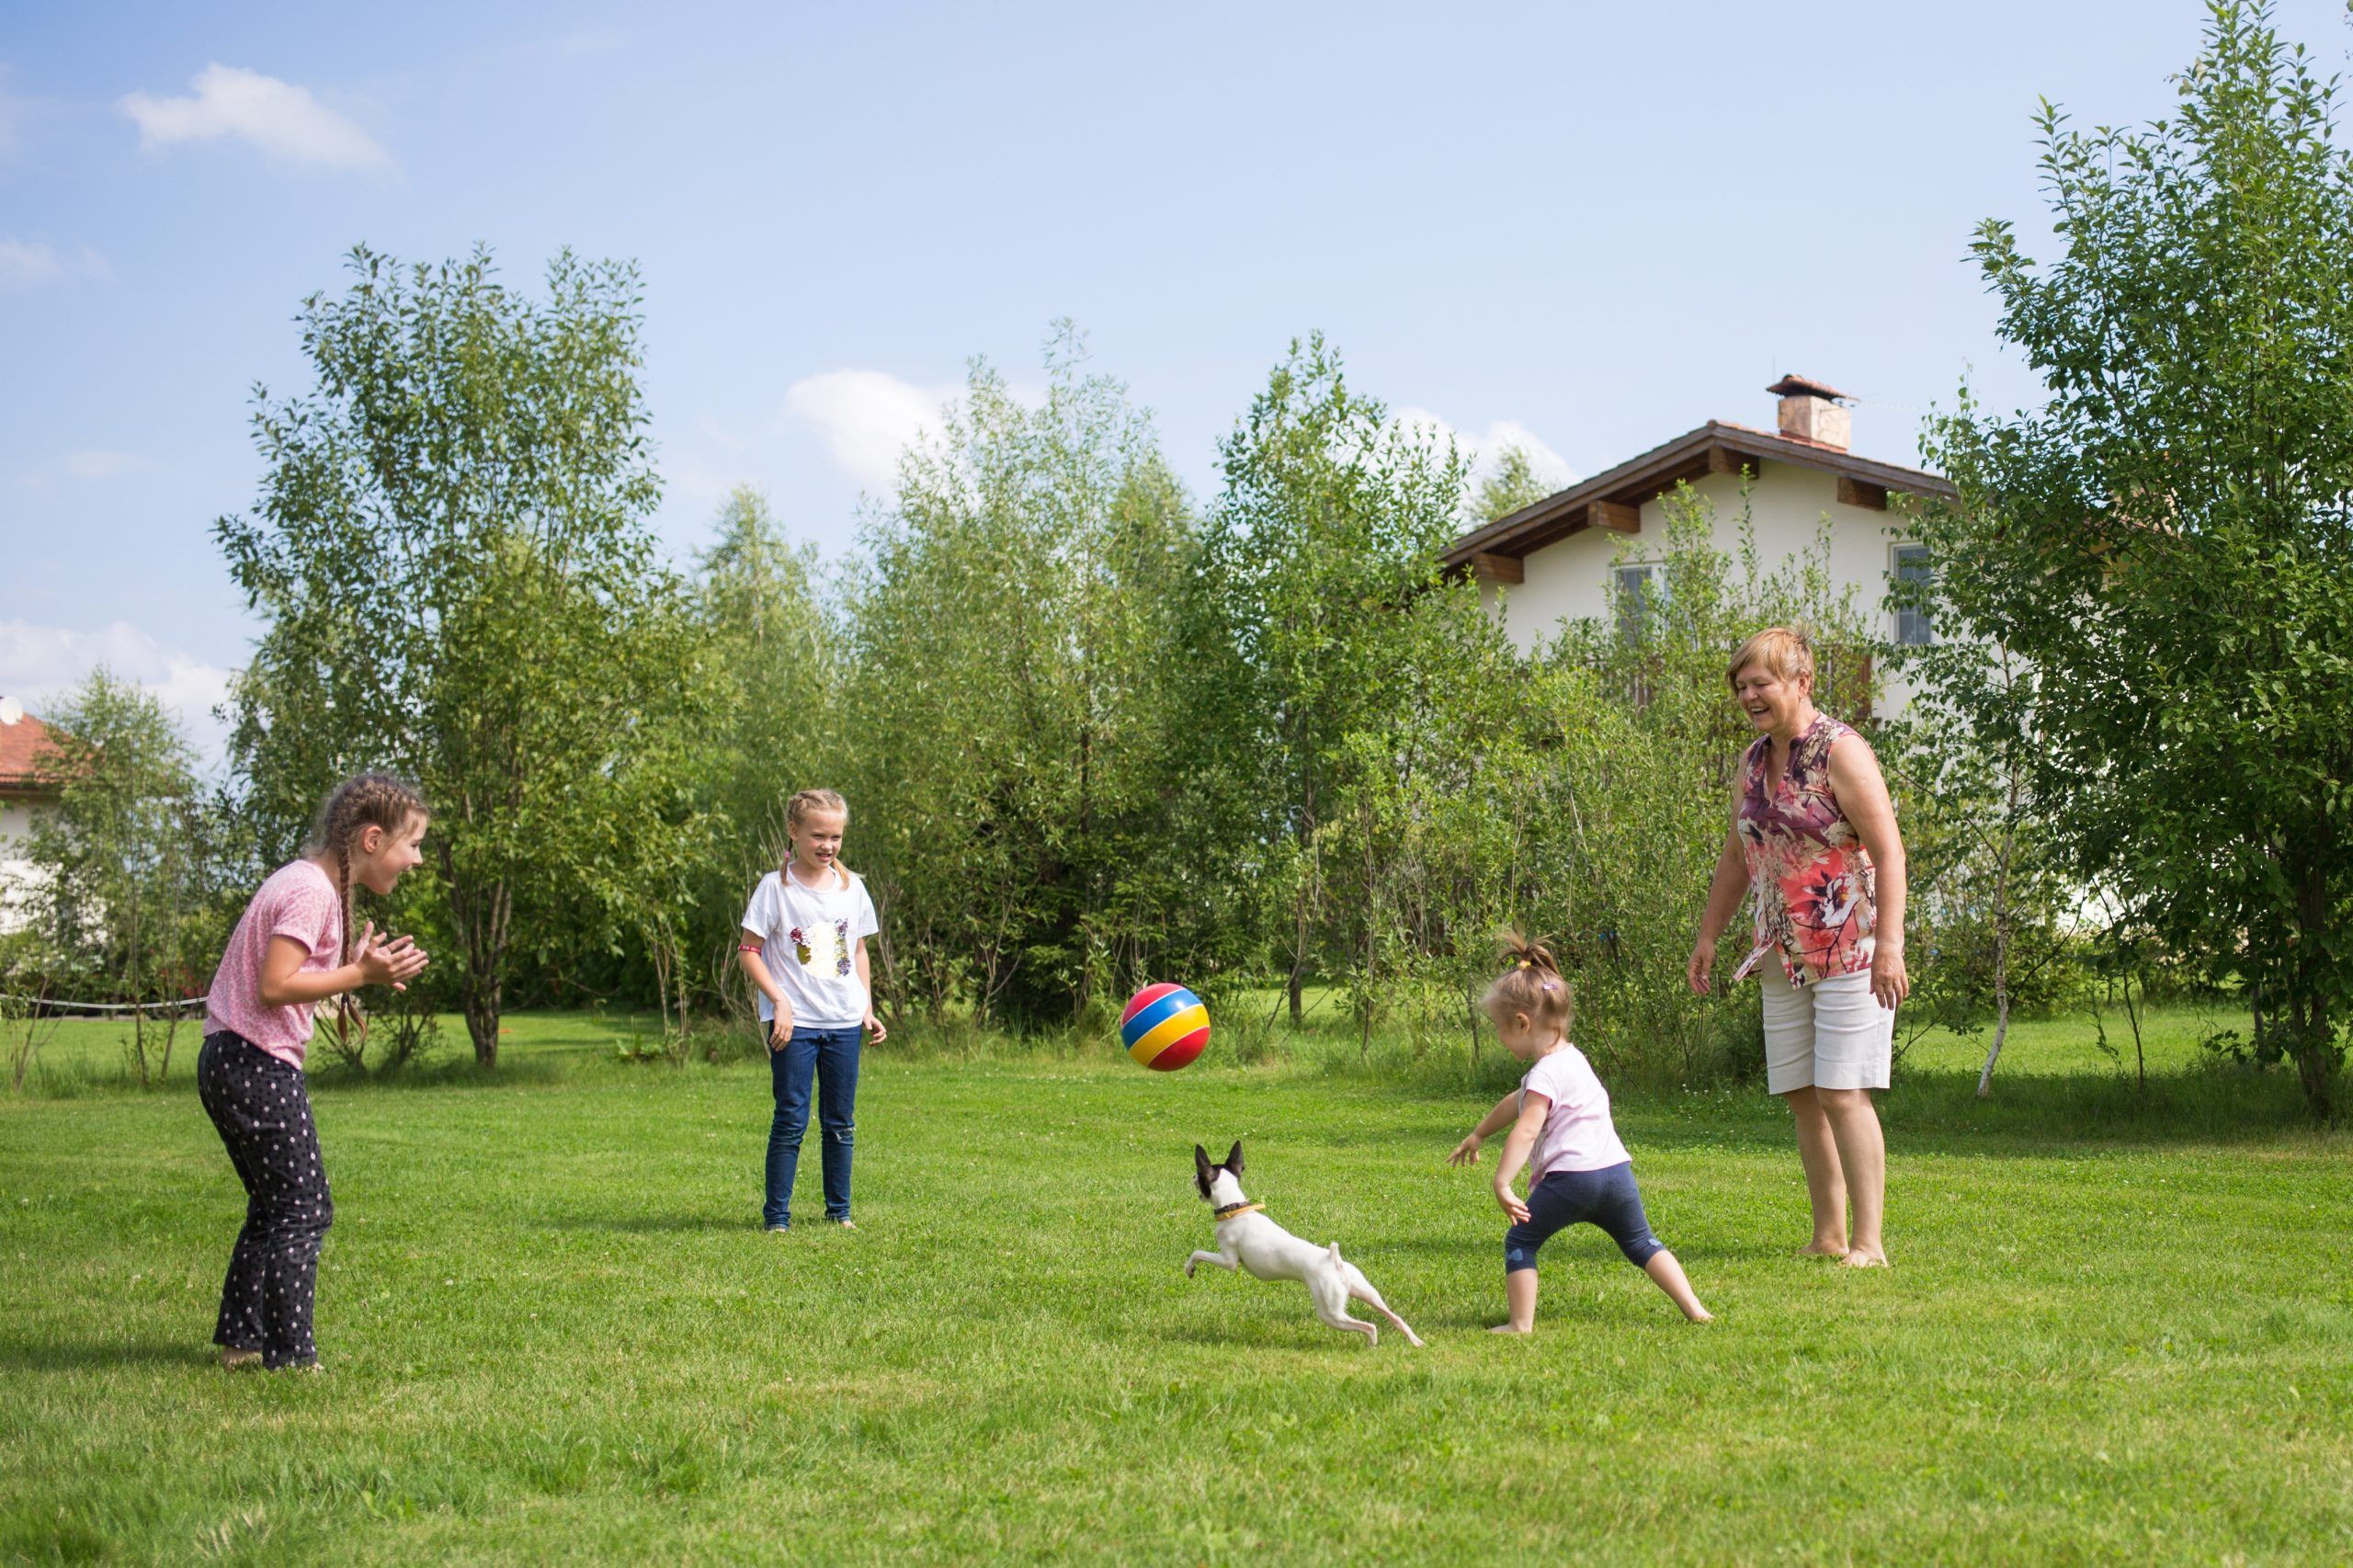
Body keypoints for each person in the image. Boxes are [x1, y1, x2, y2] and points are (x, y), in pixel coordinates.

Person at [1687, 626, 1908, 1267]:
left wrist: (1890, 946)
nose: (1749, 695)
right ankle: (1828, 1235)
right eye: (1742, 686)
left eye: (1762, 683)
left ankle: (1868, 1244)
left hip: (1850, 946)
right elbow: (1738, 852)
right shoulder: (1754, 761)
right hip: (1781, 950)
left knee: (1844, 1091)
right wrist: (1708, 936)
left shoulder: (1843, 752)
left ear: (1801, 683)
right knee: (1803, 1094)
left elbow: (1889, 851)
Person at [198, 773, 429, 1370]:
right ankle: (292, 1357)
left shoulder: (306, 883)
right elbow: (275, 985)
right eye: (413, 844)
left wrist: (351, 970)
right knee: (303, 1207)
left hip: (229, 1058)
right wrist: (359, 977)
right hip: (254, 1063)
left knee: (273, 1207)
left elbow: (287, 981)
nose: (419, 859)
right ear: (373, 840)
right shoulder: (312, 891)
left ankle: (242, 1342)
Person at [1449, 937, 1711, 1332]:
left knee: (1521, 1242)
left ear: (1522, 1023)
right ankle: (1695, 1309)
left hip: (1571, 1181)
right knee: (1642, 1243)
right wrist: (1479, 1134)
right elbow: (1516, 1100)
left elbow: (1525, 1129)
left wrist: (1502, 1182)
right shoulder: (1573, 1061)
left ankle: (1520, 1325)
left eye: (1499, 1029)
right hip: (1616, 1175)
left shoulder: (1543, 1075)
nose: (1500, 1039)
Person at [737, 789, 886, 1232]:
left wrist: (866, 1007)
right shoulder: (774, 888)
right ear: (794, 832)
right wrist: (779, 1001)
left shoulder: (851, 887)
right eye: (818, 835)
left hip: (843, 1023)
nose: (828, 845)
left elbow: (857, 950)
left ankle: (839, 1213)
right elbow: (748, 951)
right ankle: (777, 1218)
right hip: (794, 1025)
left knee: (840, 1122)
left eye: (836, 836)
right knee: (791, 1119)